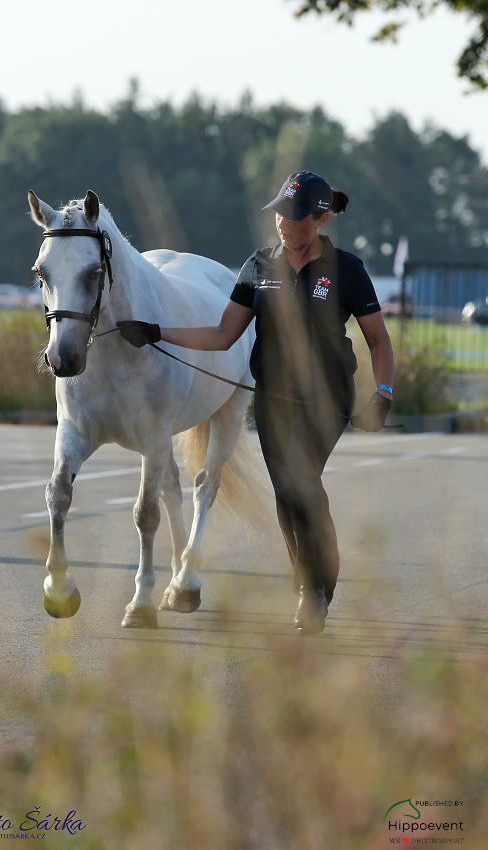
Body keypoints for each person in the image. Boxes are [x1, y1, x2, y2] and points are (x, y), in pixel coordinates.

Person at [117, 171, 395, 635]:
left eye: (295, 215)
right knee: (286, 491)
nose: (283, 223)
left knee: (299, 479)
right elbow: (224, 335)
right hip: (273, 396)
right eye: (279, 213)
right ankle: (310, 581)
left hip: (327, 394)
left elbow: (379, 342)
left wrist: (382, 395)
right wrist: (156, 332)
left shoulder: (347, 269)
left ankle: (315, 587)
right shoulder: (258, 267)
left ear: (321, 217)